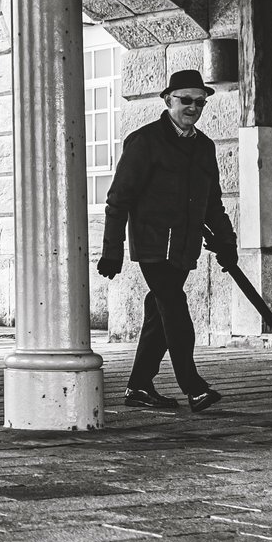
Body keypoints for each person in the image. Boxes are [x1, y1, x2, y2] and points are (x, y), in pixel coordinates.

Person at [100, 69, 238, 413]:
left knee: (159, 313)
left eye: (200, 102)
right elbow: (119, 199)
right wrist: (111, 250)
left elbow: (212, 203)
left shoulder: (204, 147)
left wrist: (227, 243)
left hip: (184, 246)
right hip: (152, 244)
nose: (193, 107)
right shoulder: (145, 141)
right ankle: (193, 386)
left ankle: (139, 386)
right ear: (168, 100)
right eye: (185, 100)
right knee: (174, 308)